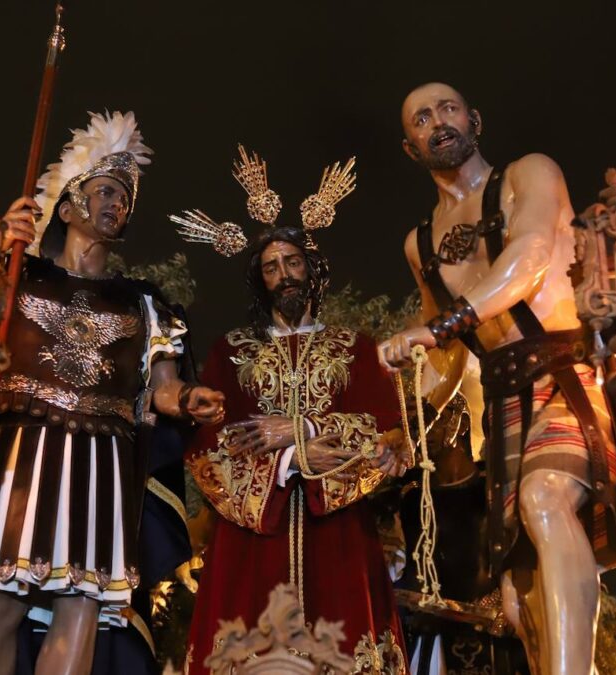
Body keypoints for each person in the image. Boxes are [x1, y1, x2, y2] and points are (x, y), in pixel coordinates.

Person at [379, 83, 616, 675]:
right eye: (422, 118)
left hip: (562, 375)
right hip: (500, 409)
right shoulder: (419, 243)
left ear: (474, 119)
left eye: (448, 109)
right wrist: (402, 430)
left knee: (546, 500)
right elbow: (444, 364)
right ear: (410, 145)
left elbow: (532, 254)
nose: (438, 122)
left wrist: (439, 328)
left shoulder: (529, 173)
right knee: (522, 603)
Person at [0, 110, 224, 675]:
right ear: (66, 207)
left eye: (125, 197)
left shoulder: (144, 302)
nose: (118, 203)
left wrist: (186, 400)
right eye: (105, 190)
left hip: (101, 459)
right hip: (23, 449)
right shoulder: (20, 275)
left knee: (80, 606)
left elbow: (161, 386)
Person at [173, 148, 410, 673]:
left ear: (312, 269)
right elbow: (211, 446)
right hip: (253, 538)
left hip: (341, 533)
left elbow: (387, 433)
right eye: (272, 267)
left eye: (293, 262)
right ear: (260, 280)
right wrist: (284, 461)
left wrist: (300, 430)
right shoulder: (230, 351)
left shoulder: (356, 347)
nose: (284, 275)